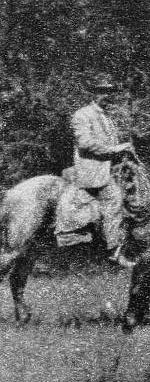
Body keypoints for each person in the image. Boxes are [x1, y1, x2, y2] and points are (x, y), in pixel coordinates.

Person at [69, 74, 135, 267]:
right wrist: (116, 149)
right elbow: (85, 143)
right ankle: (114, 252)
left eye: (110, 92)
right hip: (92, 170)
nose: (107, 96)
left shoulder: (107, 117)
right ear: (94, 94)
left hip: (110, 168)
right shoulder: (82, 115)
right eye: (103, 92)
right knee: (114, 198)